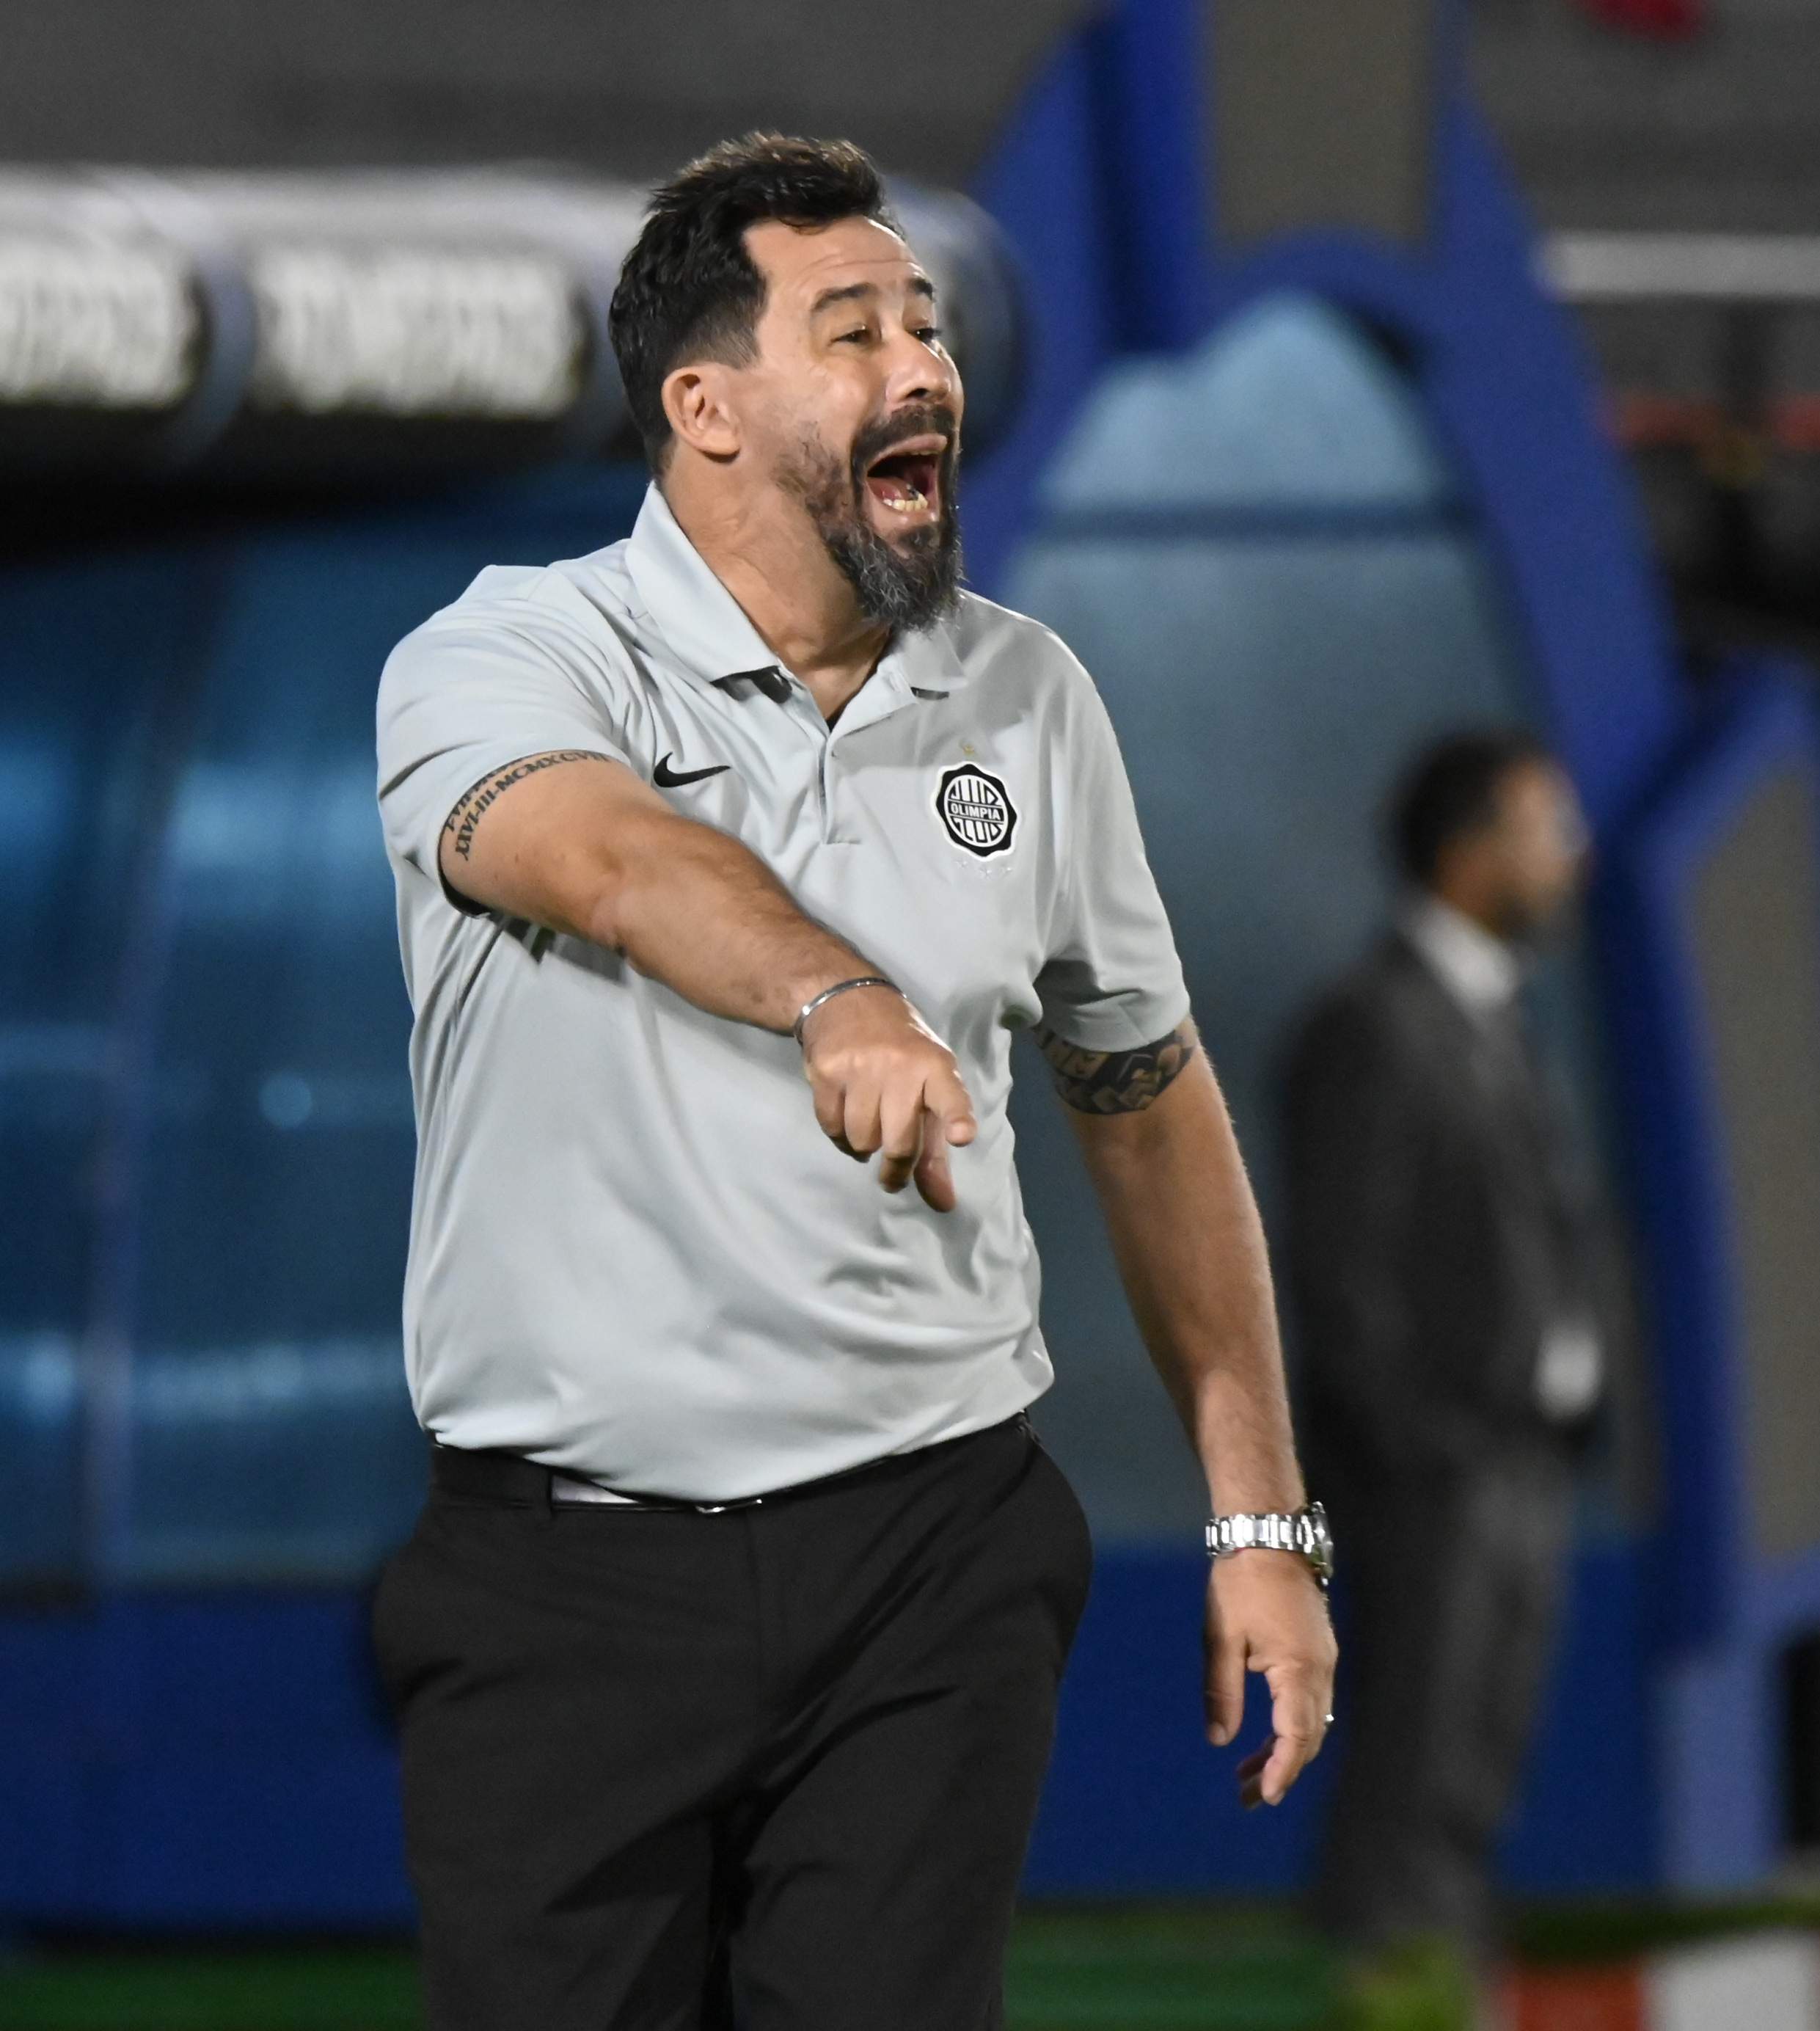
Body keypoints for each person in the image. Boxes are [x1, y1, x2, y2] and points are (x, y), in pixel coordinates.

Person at [368, 134, 1334, 2031]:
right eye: (855, 330)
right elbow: (608, 861)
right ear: (705, 408)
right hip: (573, 1585)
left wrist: (1263, 1524)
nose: (925, 370)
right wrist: (833, 994)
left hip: (930, 1557)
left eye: (928, 325)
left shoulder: (1027, 696)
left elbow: (1143, 1096)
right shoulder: (505, 654)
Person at [1280, 730, 1631, 1979]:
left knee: (1478, 1763)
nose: (1572, 857)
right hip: (1434, 1474)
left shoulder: (1495, 1018)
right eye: (1548, 830)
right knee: (1414, 1758)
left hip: (1522, 1459)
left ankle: (1446, 1969)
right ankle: (1391, 1984)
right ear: (1469, 850)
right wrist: (1418, 1446)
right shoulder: (1374, 1027)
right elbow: (1342, 1270)